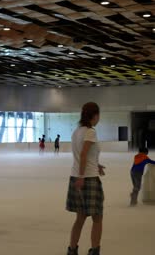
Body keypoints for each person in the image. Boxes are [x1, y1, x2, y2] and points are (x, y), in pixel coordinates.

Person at [66, 102, 105, 255]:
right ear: (94, 115)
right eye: (98, 115)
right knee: (97, 218)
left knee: (80, 217)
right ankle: (95, 250)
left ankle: (72, 249)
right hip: (87, 179)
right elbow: (82, 154)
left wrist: (97, 165)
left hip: (76, 176)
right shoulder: (90, 132)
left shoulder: (76, 131)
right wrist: (83, 176)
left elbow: (84, 156)